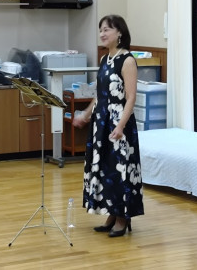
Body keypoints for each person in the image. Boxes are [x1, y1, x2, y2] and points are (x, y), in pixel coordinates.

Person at [72, 14, 144, 237]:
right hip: (100, 123)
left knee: (119, 169)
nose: (102, 34)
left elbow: (131, 97)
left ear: (119, 33)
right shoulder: (104, 59)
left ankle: (122, 217)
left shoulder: (127, 60)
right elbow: (100, 94)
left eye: (107, 30)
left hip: (118, 123)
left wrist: (121, 125)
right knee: (105, 168)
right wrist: (85, 115)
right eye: (101, 30)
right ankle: (111, 214)